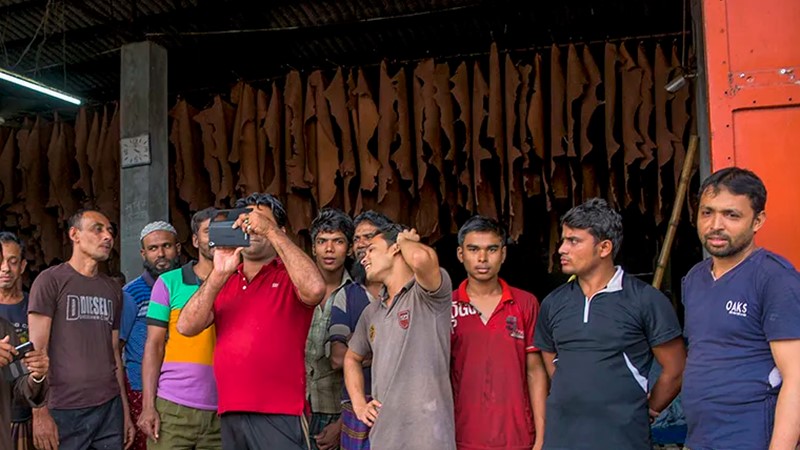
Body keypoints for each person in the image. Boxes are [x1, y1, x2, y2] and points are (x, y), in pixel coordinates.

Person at [534, 198, 686, 450]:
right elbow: (549, 356)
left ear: (604, 247)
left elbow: (676, 369)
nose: (561, 249)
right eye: (563, 240)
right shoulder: (553, 302)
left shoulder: (645, 300)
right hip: (563, 438)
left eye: (573, 241)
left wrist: (647, 408)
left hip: (623, 438)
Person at [177, 193, 325, 450]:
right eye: (245, 221)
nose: (251, 227)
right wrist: (219, 272)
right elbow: (186, 326)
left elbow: (315, 289)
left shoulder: (290, 273)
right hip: (231, 410)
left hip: (281, 411)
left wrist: (270, 232)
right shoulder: (224, 278)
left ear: (279, 229)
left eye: (259, 221)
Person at [681, 167, 800, 450]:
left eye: (731, 215)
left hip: (751, 438)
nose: (715, 225)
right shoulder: (695, 278)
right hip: (702, 438)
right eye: (707, 212)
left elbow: (796, 376)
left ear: (757, 221)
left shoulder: (775, 279)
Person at [28, 209, 135, 450]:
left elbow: (114, 353)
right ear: (74, 234)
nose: (107, 236)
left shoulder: (112, 289)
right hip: (64, 409)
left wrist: (125, 412)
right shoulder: (50, 281)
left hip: (109, 407)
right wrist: (39, 412)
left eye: (110, 231)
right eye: (98, 229)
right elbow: (35, 354)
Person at [344, 224, 455, 450]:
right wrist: (359, 404)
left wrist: (406, 240)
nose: (363, 258)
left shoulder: (428, 295)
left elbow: (422, 259)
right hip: (384, 437)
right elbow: (351, 358)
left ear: (395, 249)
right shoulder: (372, 312)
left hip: (429, 438)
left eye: (371, 250)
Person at [450, 216, 547, 450]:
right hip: (461, 436)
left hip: (518, 437)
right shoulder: (446, 306)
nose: (482, 259)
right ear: (460, 254)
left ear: (503, 254)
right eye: (473, 249)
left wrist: (541, 438)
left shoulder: (525, 303)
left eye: (491, 249)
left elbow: (535, 372)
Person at [137, 208, 221, 449]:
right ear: (195, 240)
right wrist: (148, 406)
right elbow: (153, 345)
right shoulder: (168, 282)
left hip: (223, 410)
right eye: (208, 231)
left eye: (221, 231)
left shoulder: (238, 281)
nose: (215, 237)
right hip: (172, 408)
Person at [329, 211, 392, 450]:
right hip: (359, 402)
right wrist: (384, 353)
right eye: (356, 239)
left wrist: (360, 346)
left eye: (369, 236)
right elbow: (338, 357)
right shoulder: (347, 294)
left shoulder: (410, 293)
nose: (362, 244)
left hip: (398, 402)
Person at [121, 221, 181, 450]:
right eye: (153, 248)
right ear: (143, 253)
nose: (161, 254)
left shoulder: (191, 286)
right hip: (140, 388)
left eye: (166, 246)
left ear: (178, 247)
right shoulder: (131, 294)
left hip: (181, 389)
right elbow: (117, 348)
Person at [306, 209, 355, 450]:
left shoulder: (359, 296)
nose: (329, 249)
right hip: (293, 408)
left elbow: (369, 369)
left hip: (336, 410)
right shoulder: (295, 290)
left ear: (350, 248)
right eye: (322, 241)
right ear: (313, 247)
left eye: (338, 241)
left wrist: (344, 422)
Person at [0, 232, 35, 450]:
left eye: (13, 262)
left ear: (22, 266)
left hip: (27, 412)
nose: (5, 268)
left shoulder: (35, 307)